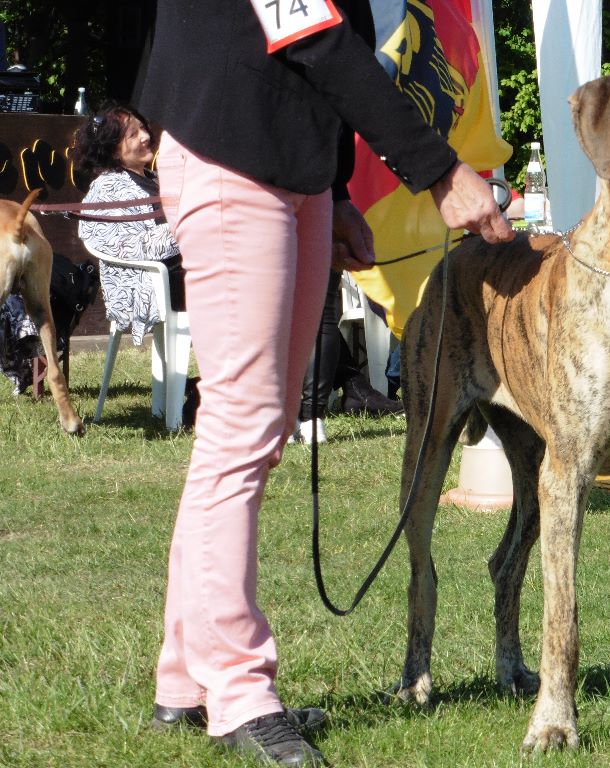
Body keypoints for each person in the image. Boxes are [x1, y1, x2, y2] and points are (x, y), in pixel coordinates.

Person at [137, 0, 513, 764]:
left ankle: (184, 678)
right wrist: (439, 171)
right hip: (231, 147)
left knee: (251, 436)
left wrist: (335, 188)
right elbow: (309, 31)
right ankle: (239, 691)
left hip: (287, 162)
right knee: (242, 431)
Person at [72, 105, 185, 347]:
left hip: (182, 268)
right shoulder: (106, 189)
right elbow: (127, 247)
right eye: (133, 134)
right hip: (151, 281)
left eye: (143, 128)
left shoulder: (156, 179)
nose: (145, 136)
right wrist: (187, 228)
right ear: (113, 151)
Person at [291, 245, 404, 445]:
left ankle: (288, 415)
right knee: (322, 313)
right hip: (327, 222)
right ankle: (313, 419)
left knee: (280, 309)